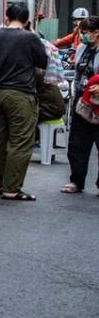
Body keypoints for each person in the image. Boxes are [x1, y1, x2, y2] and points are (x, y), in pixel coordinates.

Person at [0, 2, 48, 201]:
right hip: (20, 95)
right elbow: (43, 62)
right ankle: (12, 188)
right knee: (21, 142)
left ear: (6, 18)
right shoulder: (30, 38)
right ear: (26, 21)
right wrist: (31, 33)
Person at [60, 15, 99, 194]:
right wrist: (76, 95)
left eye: (84, 32)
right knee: (77, 143)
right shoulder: (82, 47)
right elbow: (77, 74)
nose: (81, 35)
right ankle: (76, 180)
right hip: (82, 101)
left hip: (98, 103)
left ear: (96, 33)